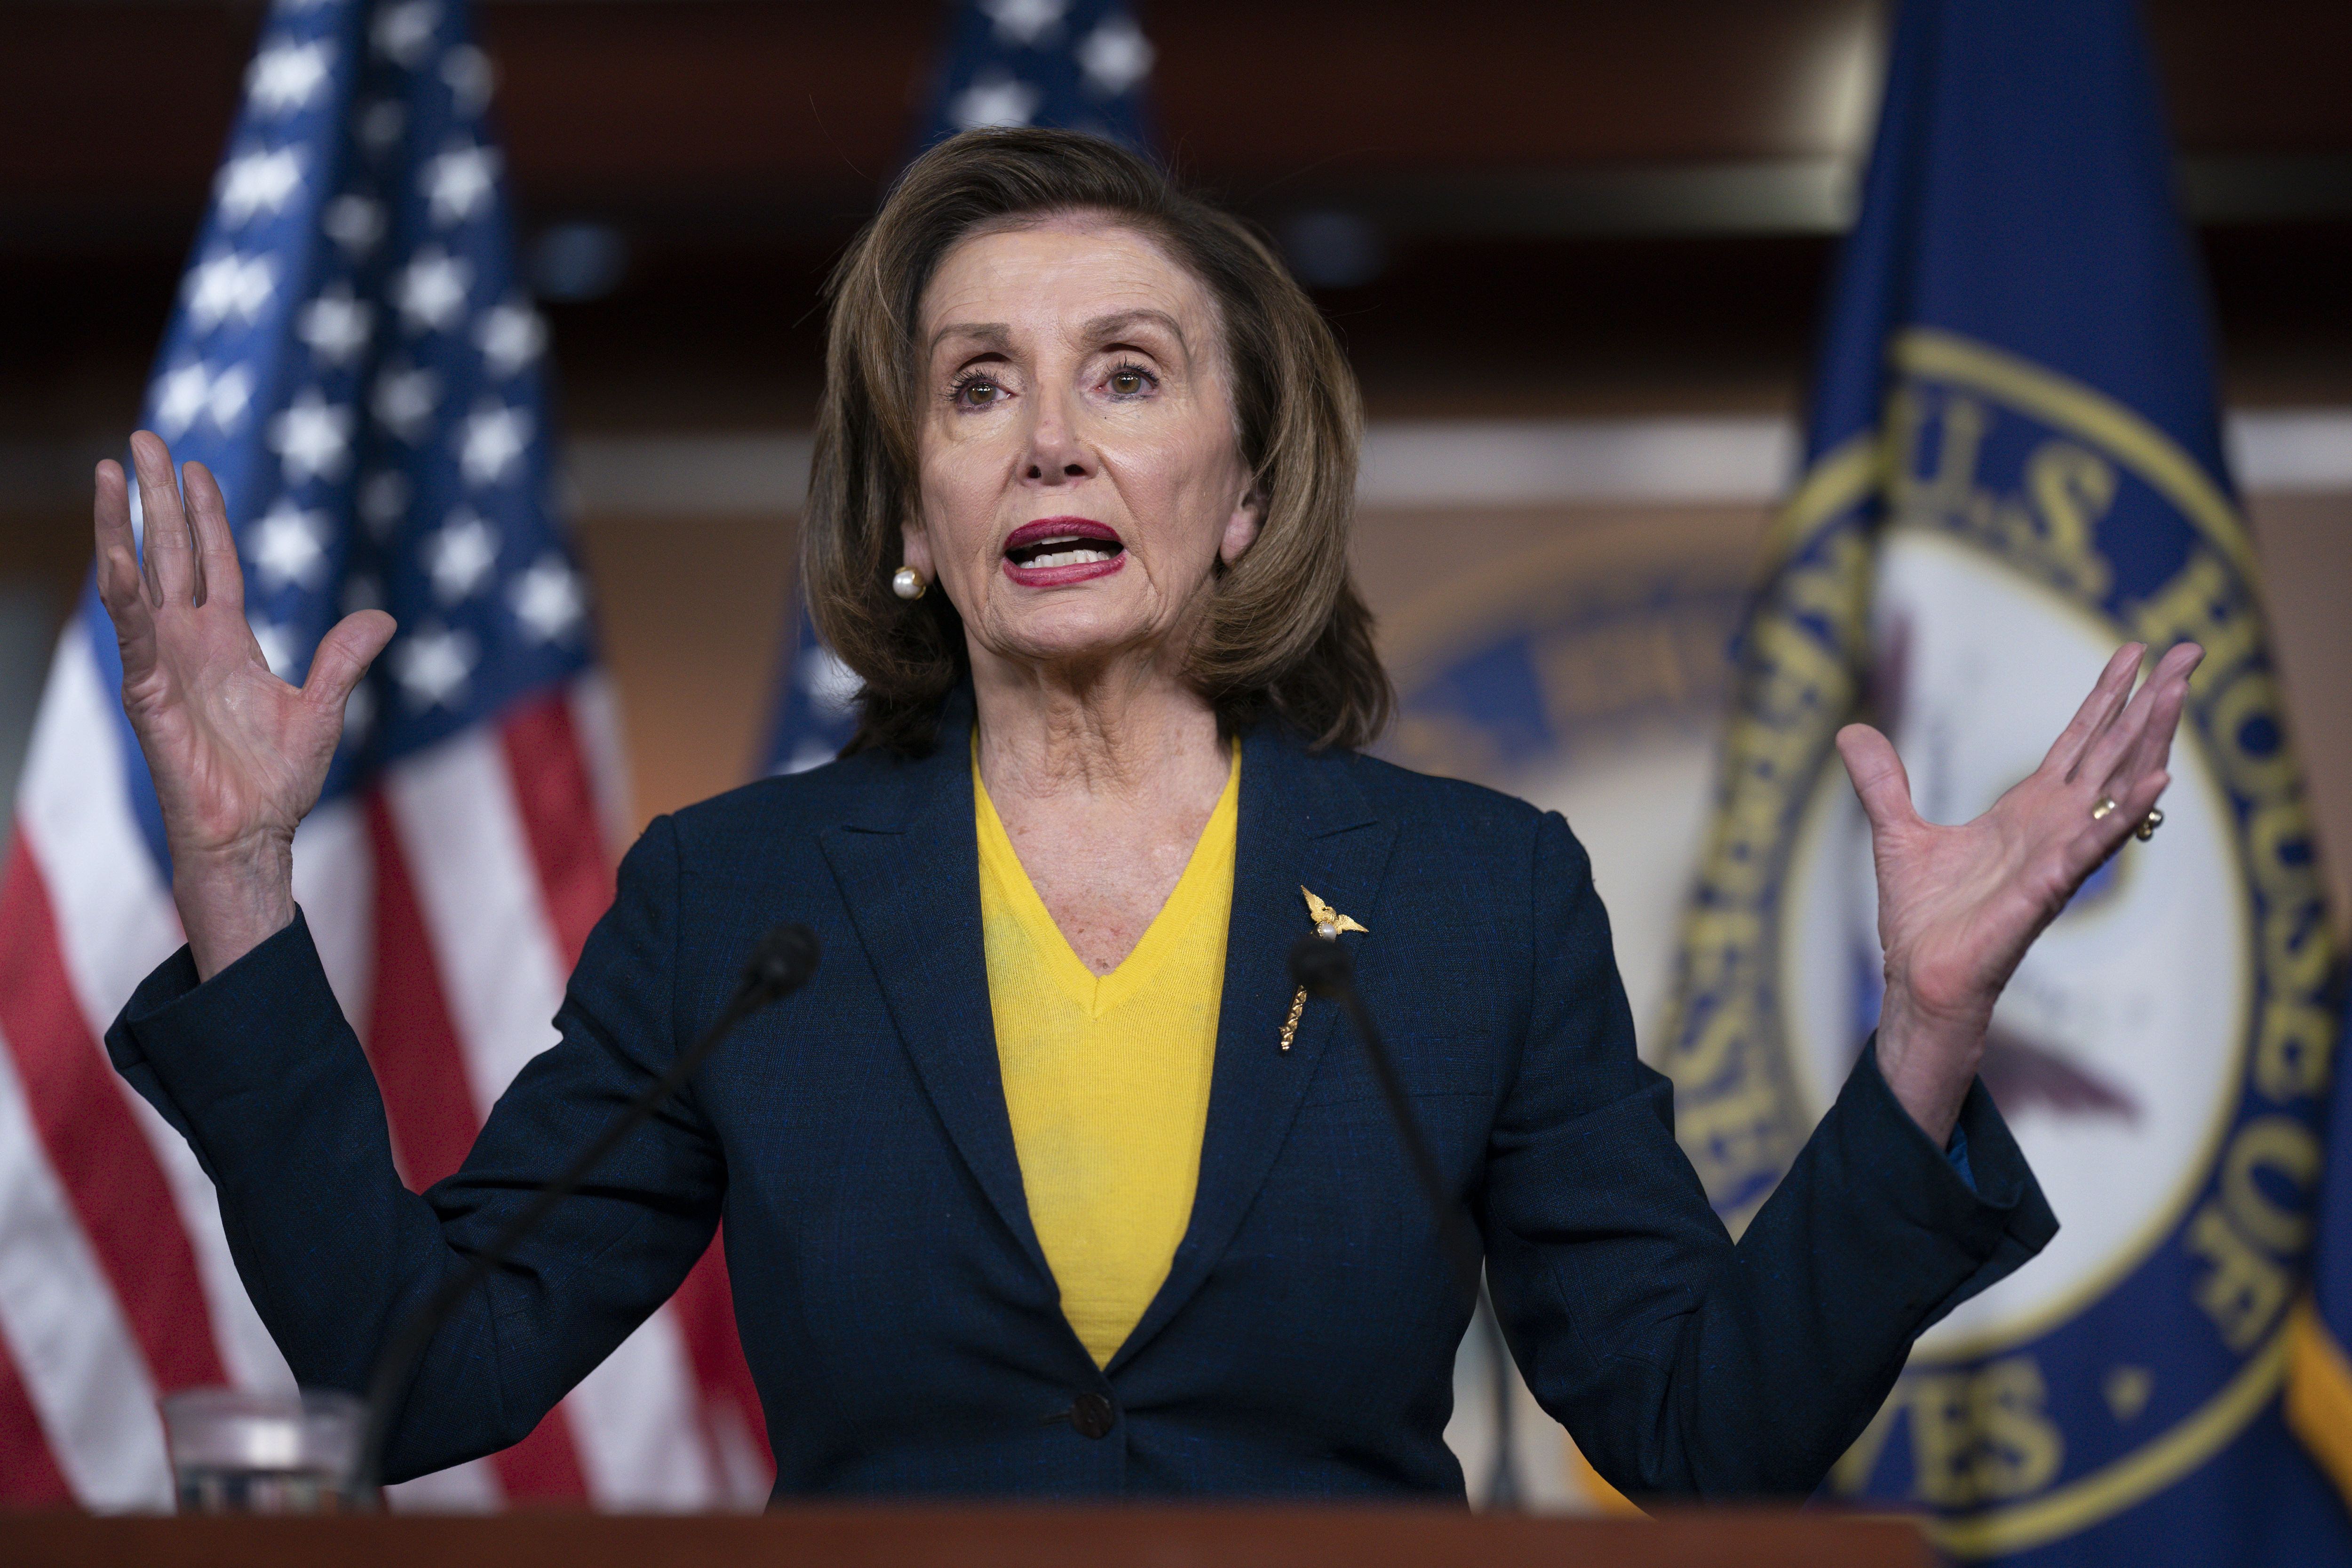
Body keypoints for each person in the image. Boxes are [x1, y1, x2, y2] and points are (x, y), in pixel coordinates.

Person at [97, 128, 2196, 1500]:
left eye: (1124, 373)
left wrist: (1924, 1035)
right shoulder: (740, 902)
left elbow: (1698, 1430)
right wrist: (237, 885)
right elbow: (417, 1363)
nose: (1046, 444)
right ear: (913, 513)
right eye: (977, 386)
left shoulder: (1474, 903)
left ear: (1244, 494)